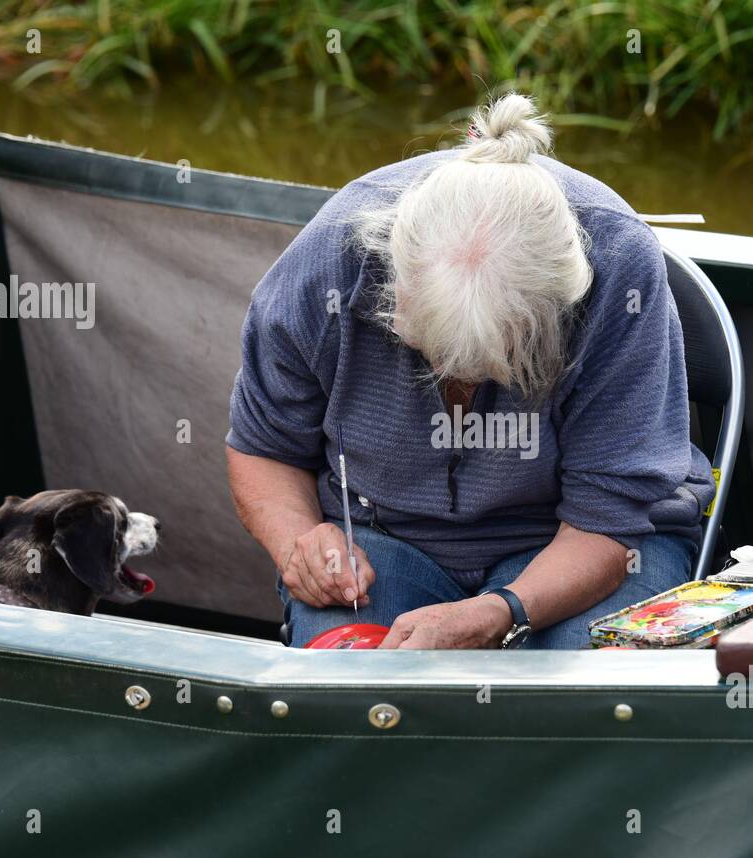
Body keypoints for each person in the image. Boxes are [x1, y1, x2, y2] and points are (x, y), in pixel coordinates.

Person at [226, 93, 714, 649]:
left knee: (583, 698)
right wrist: (301, 541)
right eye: (433, 353)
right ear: (394, 288)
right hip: (385, 534)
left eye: (491, 367)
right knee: (354, 685)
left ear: (552, 310)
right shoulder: (333, 259)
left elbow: (608, 517)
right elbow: (265, 447)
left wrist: (499, 612)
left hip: (586, 537)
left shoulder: (619, 264)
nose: (454, 382)